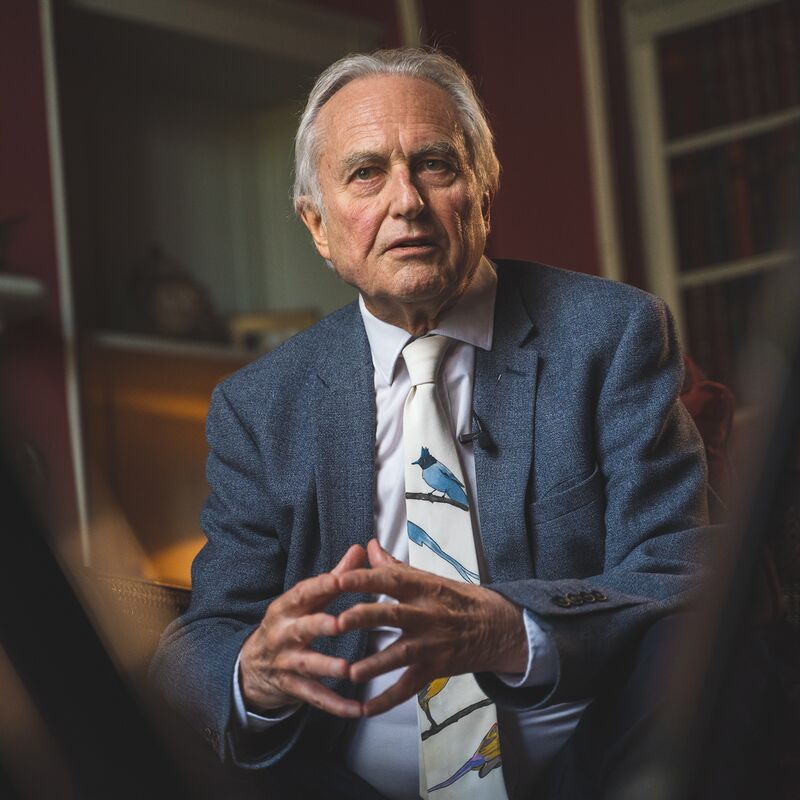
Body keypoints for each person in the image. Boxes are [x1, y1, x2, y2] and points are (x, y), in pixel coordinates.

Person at [150, 48, 710, 800]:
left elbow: (681, 570)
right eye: (365, 174)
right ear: (318, 224)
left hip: (585, 762)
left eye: (436, 165)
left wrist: (510, 629)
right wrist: (256, 669)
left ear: (484, 189)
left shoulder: (610, 336)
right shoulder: (261, 407)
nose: (405, 201)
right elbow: (203, 637)